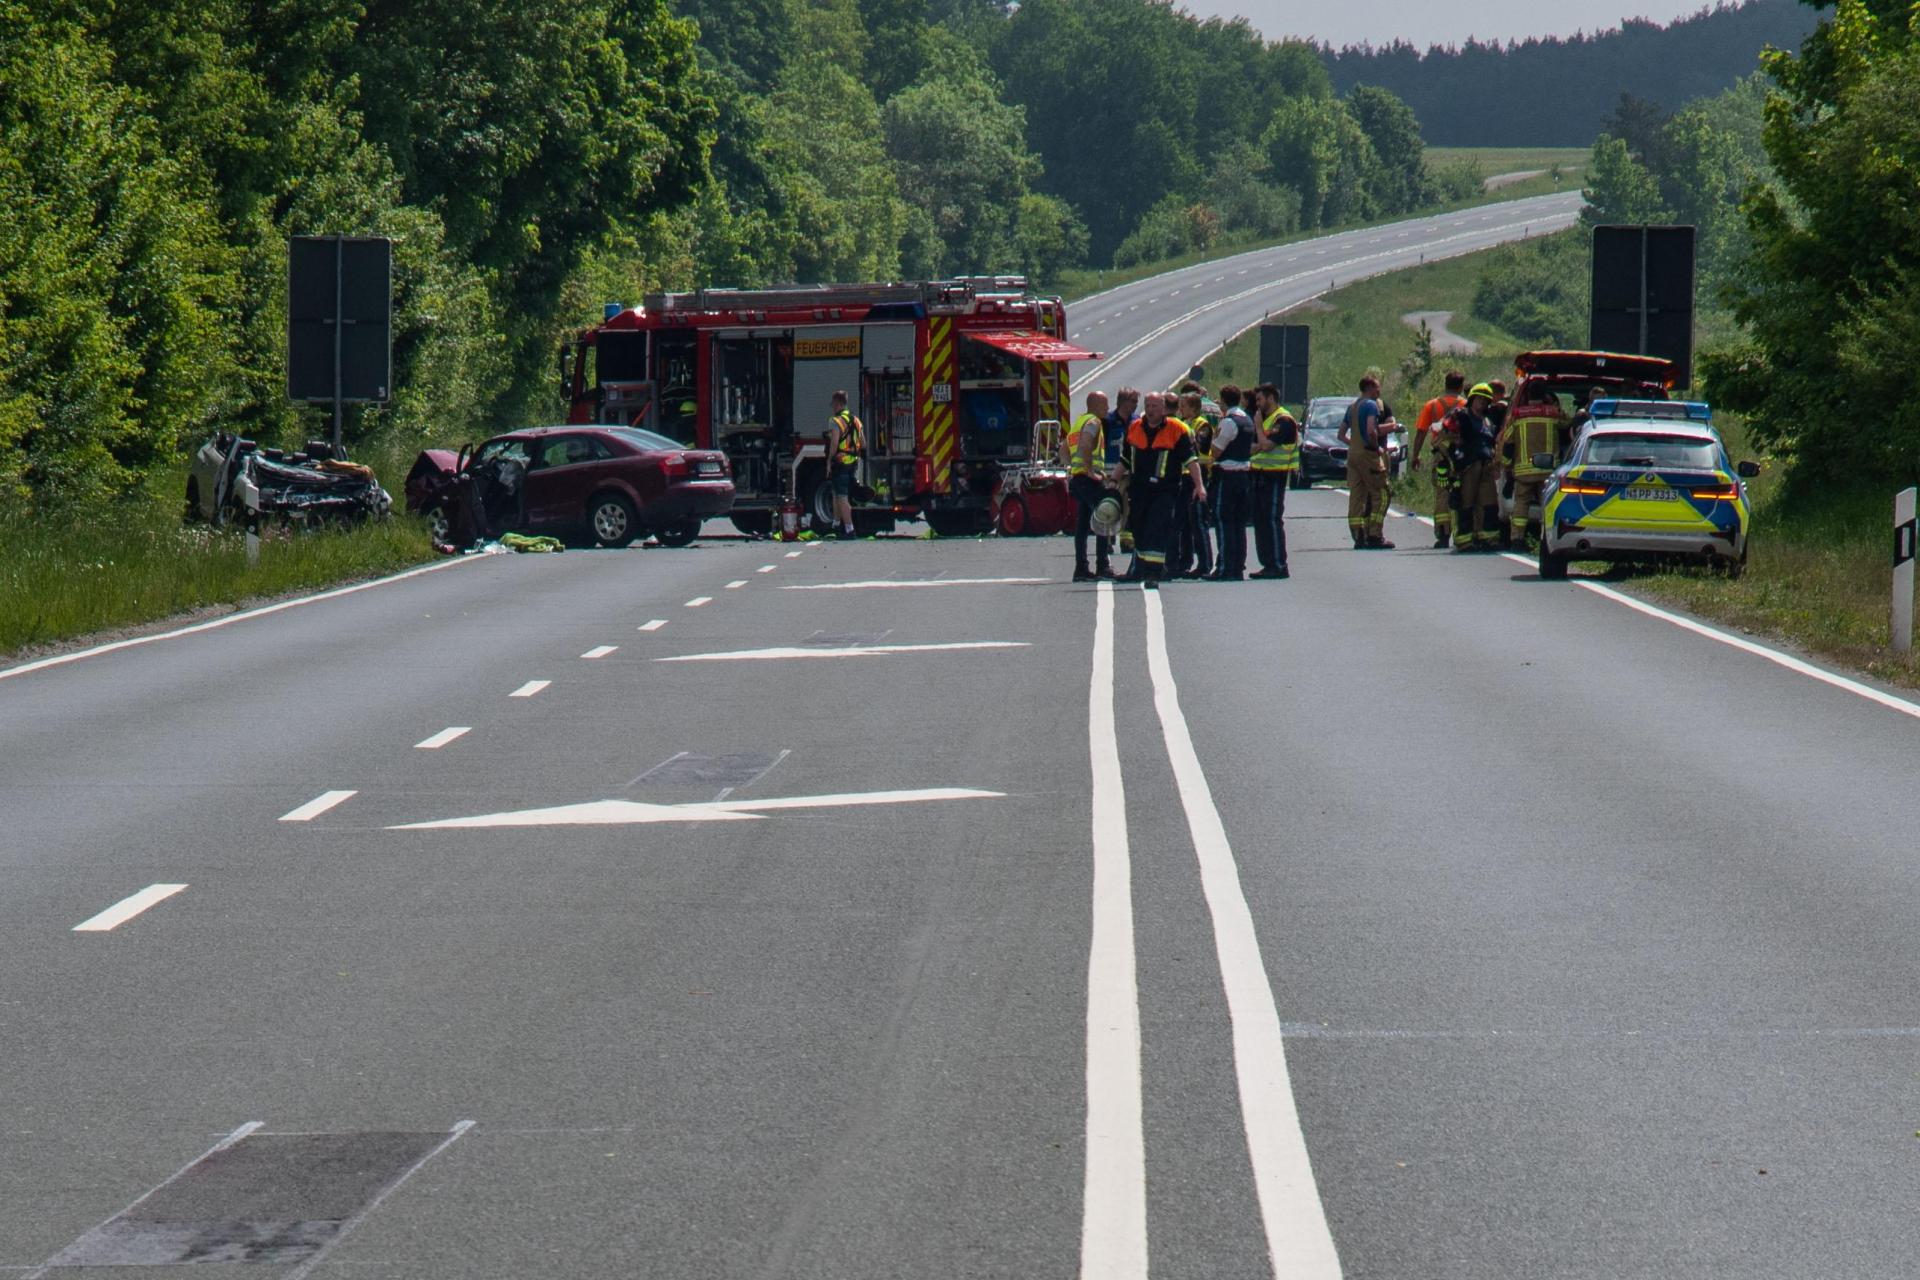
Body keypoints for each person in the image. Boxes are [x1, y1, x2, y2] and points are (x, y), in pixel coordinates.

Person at [1120, 391, 1204, 590]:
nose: (1150, 410)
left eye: (1155, 406)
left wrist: (1199, 486)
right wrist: (1114, 481)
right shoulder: (1134, 428)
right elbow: (1124, 460)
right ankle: (1141, 567)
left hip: (1164, 490)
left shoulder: (1177, 430)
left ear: (1164, 409)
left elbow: (1191, 461)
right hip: (1139, 490)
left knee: (1156, 530)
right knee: (1139, 530)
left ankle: (1153, 573)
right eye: (1148, 406)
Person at [1495, 388, 1566, 551]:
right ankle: (1547, 541)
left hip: (1523, 471)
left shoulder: (1518, 415)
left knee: (1521, 506)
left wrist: (1507, 466)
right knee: (1547, 505)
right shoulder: (1553, 413)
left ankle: (1517, 540)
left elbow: (1508, 441)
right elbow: (1570, 426)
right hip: (1548, 471)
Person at [1337, 373, 1395, 549]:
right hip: (1368, 455)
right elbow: (1371, 430)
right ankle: (1375, 535)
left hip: (1353, 455)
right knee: (1382, 493)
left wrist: (1354, 444)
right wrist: (1374, 446)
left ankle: (1358, 535)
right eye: (1377, 386)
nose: (1379, 390)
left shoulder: (1353, 406)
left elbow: (1340, 434)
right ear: (1369, 388)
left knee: (1357, 495)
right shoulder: (1371, 405)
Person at [1246, 382, 1298, 579]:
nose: (1257, 404)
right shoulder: (1266, 420)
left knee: (1271, 520)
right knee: (1260, 521)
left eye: (1260, 399)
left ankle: (1278, 564)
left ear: (1270, 398)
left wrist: (1259, 430)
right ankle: (1267, 563)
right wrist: (1260, 441)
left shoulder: (1283, 420)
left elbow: (1266, 445)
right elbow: (1253, 447)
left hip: (1274, 476)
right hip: (1258, 474)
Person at [1063, 391, 1115, 582]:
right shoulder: (1093, 422)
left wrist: (1072, 468)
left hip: (1078, 479)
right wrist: (1090, 471)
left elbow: (1063, 449)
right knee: (1104, 516)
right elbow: (1085, 445)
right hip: (1088, 479)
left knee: (1083, 524)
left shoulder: (1078, 422)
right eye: (1104, 405)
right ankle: (1102, 565)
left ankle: (1081, 568)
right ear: (1094, 405)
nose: (1108, 409)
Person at [1412, 370, 1467, 549]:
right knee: (1462, 493)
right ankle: (1463, 534)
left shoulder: (1432, 405)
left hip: (1440, 456)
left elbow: (1421, 431)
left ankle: (1443, 533)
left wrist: (1415, 455)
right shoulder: (1466, 405)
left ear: (1445, 384)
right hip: (1460, 457)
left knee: (1441, 493)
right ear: (1460, 386)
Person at [1206, 384, 1254, 581]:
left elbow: (1216, 450)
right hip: (1244, 475)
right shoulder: (1247, 419)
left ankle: (1225, 567)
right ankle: (1237, 565)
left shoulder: (1229, 422)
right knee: (1238, 523)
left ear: (1223, 401)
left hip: (1228, 476)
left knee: (1224, 522)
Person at [1446, 383, 1502, 551]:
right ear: (1471, 399)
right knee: (1466, 503)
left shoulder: (1488, 421)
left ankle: (1487, 539)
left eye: (1485, 400)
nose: (1482, 403)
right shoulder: (1461, 416)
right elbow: (1446, 437)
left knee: (1489, 503)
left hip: (1486, 466)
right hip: (1468, 466)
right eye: (1479, 399)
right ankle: (1464, 541)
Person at [1175, 390, 1213, 578]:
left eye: (1184, 406)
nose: (1180, 409)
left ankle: (1205, 564)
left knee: (1198, 522)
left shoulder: (1202, 425)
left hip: (1197, 477)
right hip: (1183, 477)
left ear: (1194, 408)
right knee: (1183, 523)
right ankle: (1185, 561)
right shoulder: (1183, 424)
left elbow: (1196, 448)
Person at [825, 390, 864, 539]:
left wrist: (829, 460)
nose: (832, 407)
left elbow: (834, 443)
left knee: (842, 496)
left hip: (840, 462)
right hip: (853, 462)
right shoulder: (856, 420)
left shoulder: (835, 421)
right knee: (836, 493)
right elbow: (864, 443)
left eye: (833, 405)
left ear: (838, 404)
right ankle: (836, 525)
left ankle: (849, 529)